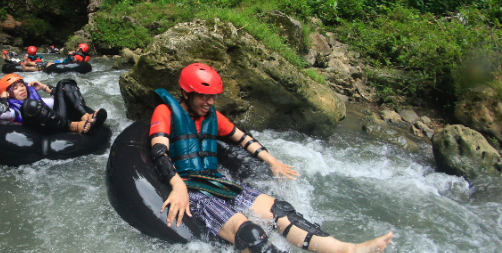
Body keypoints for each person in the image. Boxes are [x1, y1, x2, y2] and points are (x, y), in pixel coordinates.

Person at [149, 63, 393, 253]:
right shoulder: (166, 111)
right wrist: (177, 184)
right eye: (204, 96)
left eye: (213, 96)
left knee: (281, 210)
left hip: (217, 183)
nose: (210, 101)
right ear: (187, 92)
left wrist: (272, 160)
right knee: (251, 234)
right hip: (192, 190)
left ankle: (347, 249)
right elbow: (159, 151)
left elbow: (243, 139)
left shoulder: (213, 116)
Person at [0, 73, 107, 134]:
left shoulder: (36, 98)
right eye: (15, 88)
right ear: (7, 94)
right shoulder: (12, 110)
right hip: (44, 130)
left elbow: (58, 98)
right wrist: (3, 99)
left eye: (22, 85)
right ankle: (75, 126)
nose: (21, 89)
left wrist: (44, 87)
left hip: (58, 121)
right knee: (30, 105)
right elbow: (1, 115)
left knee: (64, 83)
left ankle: (85, 116)